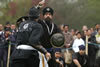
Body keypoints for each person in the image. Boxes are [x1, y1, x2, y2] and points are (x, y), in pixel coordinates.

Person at [10, 1, 50, 67]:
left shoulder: (22, 24)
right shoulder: (38, 26)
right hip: (30, 56)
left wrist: (38, 7)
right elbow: (33, 42)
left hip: (17, 54)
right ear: (38, 16)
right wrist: (45, 52)